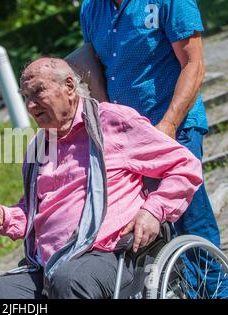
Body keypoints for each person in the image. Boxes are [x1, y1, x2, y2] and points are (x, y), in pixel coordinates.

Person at [0, 58, 203, 299]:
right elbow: (32, 210)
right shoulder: (39, 147)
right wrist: (3, 218)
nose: (30, 105)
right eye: (25, 97)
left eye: (37, 92)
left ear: (69, 86)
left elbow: (184, 165)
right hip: (50, 264)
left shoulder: (112, 122)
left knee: (69, 281)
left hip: (113, 253)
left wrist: (154, 210)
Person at [79, 0, 223, 296]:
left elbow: (194, 66)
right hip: (129, 140)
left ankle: (218, 288)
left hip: (175, 124)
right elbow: (95, 68)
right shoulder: (91, 9)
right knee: (152, 221)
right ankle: (188, 287)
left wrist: (168, 124)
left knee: (189, 213)